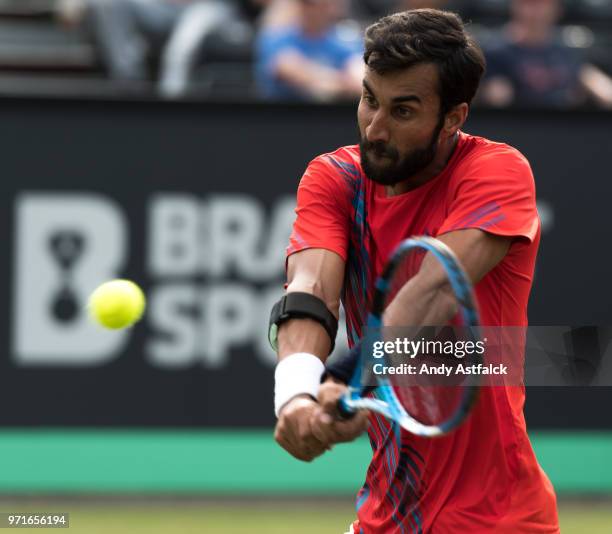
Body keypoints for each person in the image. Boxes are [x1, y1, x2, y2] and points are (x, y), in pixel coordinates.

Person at [270, 8, 560, 533]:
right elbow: (311, 288)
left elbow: (429, 292)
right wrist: (295, 393)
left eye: (402, 111)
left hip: (499, 518)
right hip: (386, 511)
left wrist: (348, 379)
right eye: (369, 99)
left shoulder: (497, 171)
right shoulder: (334, 177)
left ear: (453, 117)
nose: (375, 128)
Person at [480, 0, 612, 108]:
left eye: (544, 5)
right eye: (530, 4)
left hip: (564, 127)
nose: (537, 11)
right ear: (515, 6)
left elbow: (598, 86)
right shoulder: (496, 51)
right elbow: (497, 98)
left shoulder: (566, 50)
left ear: (557, 9)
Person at [255, 0, 364, 101]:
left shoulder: (346, 41)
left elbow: (359, 80)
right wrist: (340, 82)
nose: (315, 10)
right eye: (308, 3)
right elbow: (289, 69)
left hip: (330, 116)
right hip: (281, 115)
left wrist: (330, 83)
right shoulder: (276, 38)